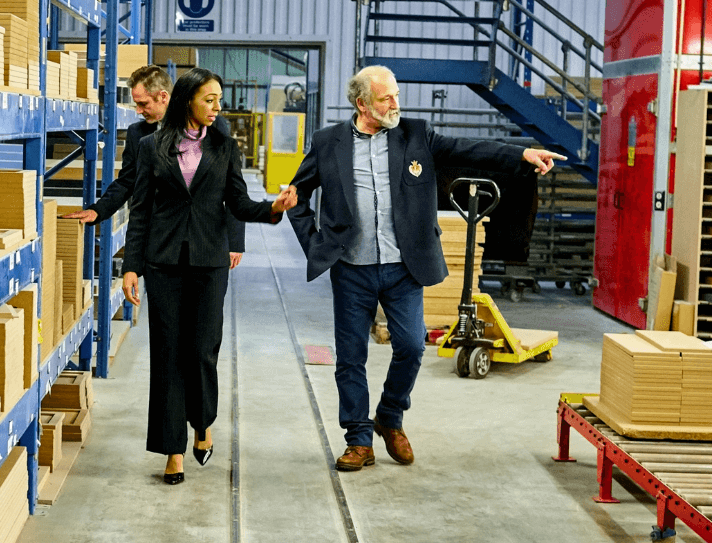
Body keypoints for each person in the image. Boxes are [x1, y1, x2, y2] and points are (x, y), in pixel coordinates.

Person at [287, 65, 565, 472]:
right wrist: (315, 243)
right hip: (352, 268)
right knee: (350, 358)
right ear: (362, 103)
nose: (396, 103)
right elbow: (297, 193)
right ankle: (358, 440)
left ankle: (390, 417)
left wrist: (521, 155)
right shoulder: (328, 142)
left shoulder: (414, 134)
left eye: (396, 95)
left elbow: (467, 149)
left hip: (403, 267)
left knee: (413, 345)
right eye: (387, 98)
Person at [122, 68, 297, 485]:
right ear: (187, 101)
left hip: (208, 262)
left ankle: (202, 423)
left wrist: (273, 208)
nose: (218, 107)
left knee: (202, 349)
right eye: (210, 99)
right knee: (167, 354)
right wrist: (132, 265)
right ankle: (172, 450)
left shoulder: (224, 144)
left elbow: (237, 202)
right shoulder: (151, 147)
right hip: (164, 262)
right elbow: (141, 210)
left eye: (219, 99)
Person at [63, 65, 245, 269]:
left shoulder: (210, 125)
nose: (138, 111)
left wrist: (235, 241)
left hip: (203, 238)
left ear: (164, 97)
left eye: (143, 104)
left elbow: (232, 187)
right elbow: (127, 180)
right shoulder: (138, 134)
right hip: (161, 241)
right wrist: (98, 210)